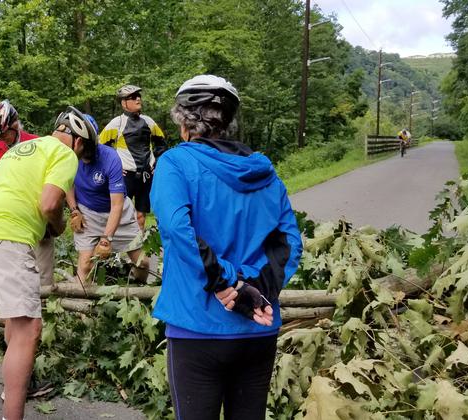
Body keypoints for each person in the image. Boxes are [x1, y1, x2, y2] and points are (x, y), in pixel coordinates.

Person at [150, 75, 302, 420]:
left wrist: (228, 284)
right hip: (258, 326)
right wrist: (255, 291)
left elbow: (176, 228)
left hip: (197, 326)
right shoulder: (266, 173)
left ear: (183, 121)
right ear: (230, 122)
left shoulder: (175, 163)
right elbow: (289, 242)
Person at [0, 106, 95, 420]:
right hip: (8, 235)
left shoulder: (22, 148)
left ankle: (10, 392)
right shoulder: (65, 155)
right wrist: (58, 225)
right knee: (30, 328)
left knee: (16, 322)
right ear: (78, 142)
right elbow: (50, 203)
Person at [0, 100, 55, 398]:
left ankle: (30, 367)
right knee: (17, 310)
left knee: (41, 294)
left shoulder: (38, 144)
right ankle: (20, 382)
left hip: (39, 226)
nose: (4, 142)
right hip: (11, 232)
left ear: (16, 125)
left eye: (7, 136)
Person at [66, 114, 150, 283]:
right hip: (88, 213)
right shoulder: (69, 155)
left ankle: (138, 290)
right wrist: (74, 210)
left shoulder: (110, 158)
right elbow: (67, 183)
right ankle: (81, 306)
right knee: (85, 265)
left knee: (143, 263)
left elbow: (117, 204)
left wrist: (106, 239)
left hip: (118, 214)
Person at [100, 84, 167, 231]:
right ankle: (118, 251)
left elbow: (161, 144)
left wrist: (157, 164)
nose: (138, 99)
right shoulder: (116, 123)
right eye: (133, 97)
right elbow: (100, 148)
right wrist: (112, 167)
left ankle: (139, 248)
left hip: (145, 176)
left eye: (139, 96)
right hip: (126, 177)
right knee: (121, 214)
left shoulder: (149, 121)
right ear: (124, 103)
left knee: (141, 216)